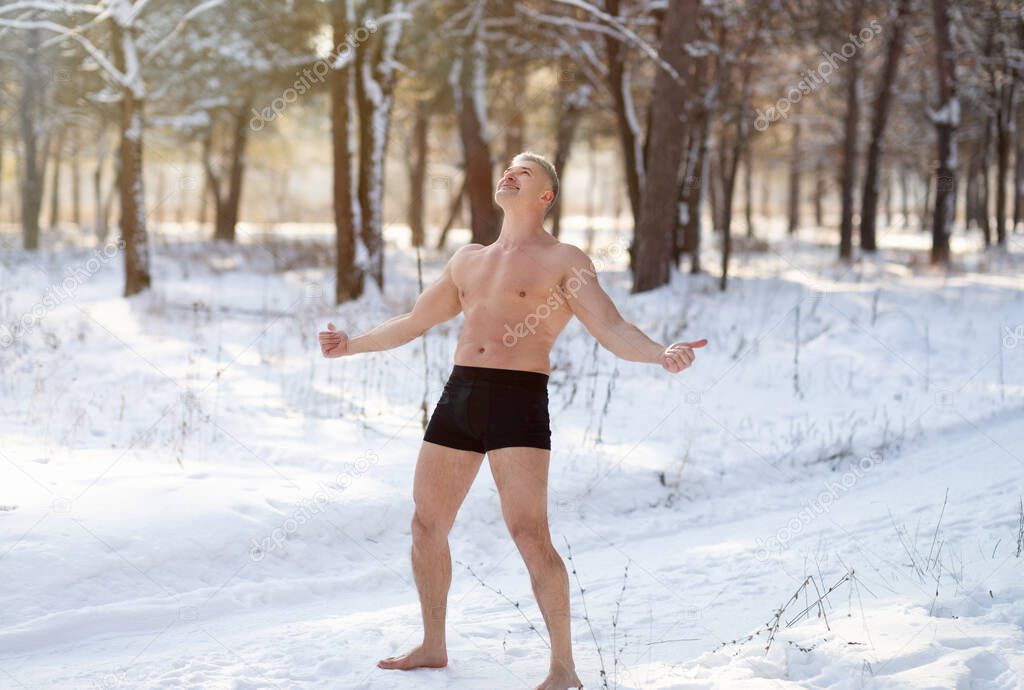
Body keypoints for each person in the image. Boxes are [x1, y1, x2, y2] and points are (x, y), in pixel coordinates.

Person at [318, 151, 707, 690]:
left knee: (530, 534)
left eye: (525, 172)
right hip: (460, 395)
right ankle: (433, 645)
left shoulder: (564, 259)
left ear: (545, 196)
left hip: (518, 400)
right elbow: (413, 321)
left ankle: (563, 667)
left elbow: (613, 328)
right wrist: (351, 345)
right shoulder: (468, 259)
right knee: (425, 525)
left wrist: (662, 353)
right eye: (509, 168)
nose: (510, 173)